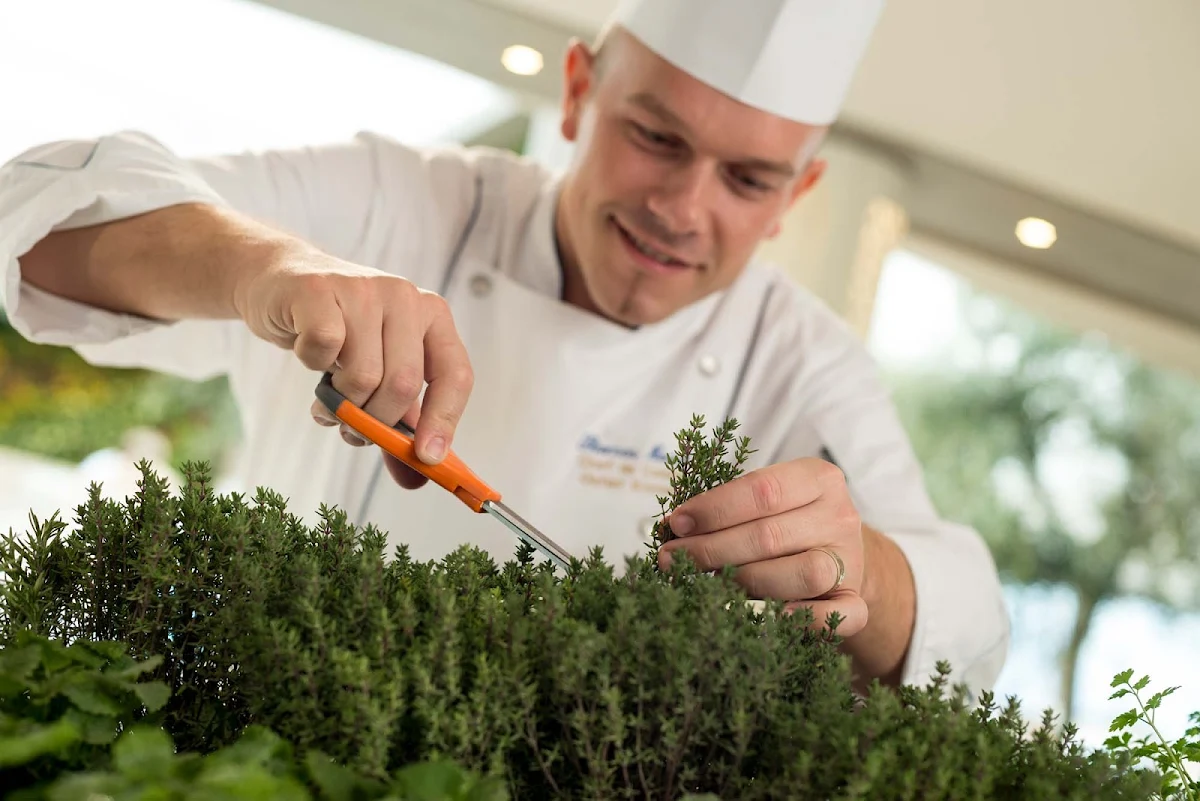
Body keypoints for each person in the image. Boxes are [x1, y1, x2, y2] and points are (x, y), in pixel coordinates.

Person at [0, 0, 1009, 696]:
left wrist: (868, 573)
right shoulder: (404, 202)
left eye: (747, 181)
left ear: (797, 197)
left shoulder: (803, 361)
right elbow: (39, 216)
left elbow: (970, 631)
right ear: (576, 94)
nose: (681, 207)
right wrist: (266, 273)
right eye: (655, 137)